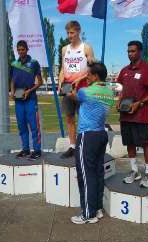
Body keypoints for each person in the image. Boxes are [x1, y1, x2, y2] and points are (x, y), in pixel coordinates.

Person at [68, 62, 114, 224]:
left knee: (86, 175)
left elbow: (73, 95)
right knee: (97, 173)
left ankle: (88, 214)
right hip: (102, 134)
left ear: (95, 76)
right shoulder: (109, 92)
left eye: (88, 74)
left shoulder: (85, 92)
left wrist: (73, 87)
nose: (86, 77)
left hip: (87, 136)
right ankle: (97, 208)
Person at [116, 41, 148, 188]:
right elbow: (123, 89)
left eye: (133, 51)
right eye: (128, 51)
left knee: (145, 143)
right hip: (125, 114)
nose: (130, 54)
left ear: (140, 52)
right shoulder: (124, 70)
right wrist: (119, 100)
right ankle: (135, 171)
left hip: (141, 115)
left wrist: (139, 103)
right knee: (130, 143)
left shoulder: (147, 69)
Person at [58, 20, 95, 159]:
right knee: (69, 118)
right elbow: (63, 68)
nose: (69, 35)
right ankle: (72, 146)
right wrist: (60, 81)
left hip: (82, 89)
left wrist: (81, 77)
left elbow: (91, 68)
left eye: (72, 32)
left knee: (84, 119)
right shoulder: (64, 49)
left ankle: (83, 146)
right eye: (68, 33)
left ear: (78, 31)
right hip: (67, 88)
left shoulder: (86, 47)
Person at [10, 40, 43, 160]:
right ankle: (25, 149)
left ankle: (37, 150)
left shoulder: (34, 63)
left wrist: (29, 91)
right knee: (21, 126)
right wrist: (12, 91)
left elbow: (40, 82)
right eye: (18, 50)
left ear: (27, 49)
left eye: (22, 49)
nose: (20, 52)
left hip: (30, 99)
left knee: (34, 126)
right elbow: (12, 81)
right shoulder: (14, 64)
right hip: (19, 100)